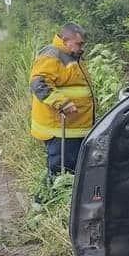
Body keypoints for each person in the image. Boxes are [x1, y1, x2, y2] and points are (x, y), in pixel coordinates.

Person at [29, 23, 95, 179]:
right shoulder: (52, 56)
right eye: (79, 44)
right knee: (60, 174)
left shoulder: (72, 56)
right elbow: (39, 83)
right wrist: (63, 103)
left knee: (71, 173)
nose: (82, 48)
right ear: (66, 40)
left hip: (73, 128)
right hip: (60, 130)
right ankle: (49, 193)